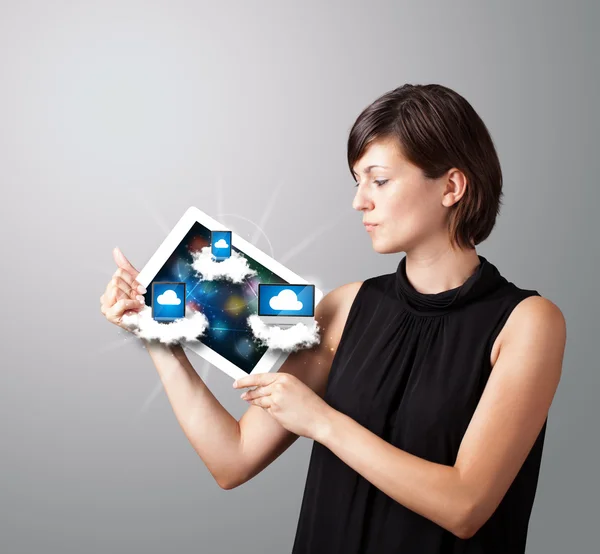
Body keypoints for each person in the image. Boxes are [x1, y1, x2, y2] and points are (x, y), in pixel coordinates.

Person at [99, 83, 566, 553]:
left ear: (451, 186)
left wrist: (321, 421)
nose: (359, 201)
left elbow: (466, 506)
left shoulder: (529, 323)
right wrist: (158, 336)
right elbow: (232, 460)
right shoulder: (343, 308)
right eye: (356, 181)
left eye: (379, 180)